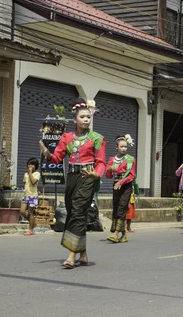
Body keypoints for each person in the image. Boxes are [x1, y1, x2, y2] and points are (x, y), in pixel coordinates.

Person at [39, 98, 105, 269]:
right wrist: (47, 153)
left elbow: (101, 162)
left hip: (87, 177)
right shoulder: (66, 137)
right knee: (75, 213)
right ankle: (83, 254)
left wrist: (96, 174)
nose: (86, 119)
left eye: (88, 117)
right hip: (72, 178)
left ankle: (71, 255)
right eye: (82, 117)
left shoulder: (97, 138)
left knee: (77, 211)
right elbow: (56, 158)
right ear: (75, 119)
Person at [105, 134, 136, 243]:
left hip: (126, 185)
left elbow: (132, 175)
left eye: (125, 147)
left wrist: (121, 182)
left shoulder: (130, 159)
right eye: (121, 146)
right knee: (116, 207)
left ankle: (116, 234)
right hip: (116, 184)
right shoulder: (112, 159)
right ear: (116, 147)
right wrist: (109, 169)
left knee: (122, 207)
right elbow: (108, 175)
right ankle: (124, 235)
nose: (123, 149)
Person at [20, 158, 41, 236]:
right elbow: (26, 184)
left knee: (30, 212)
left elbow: (33, 182)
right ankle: (33, 223)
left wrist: (30, 173)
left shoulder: (37, 174)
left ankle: (30, 230)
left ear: (35, 166)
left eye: (31, 164)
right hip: (26, 195)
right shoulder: (25, 174)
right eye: (28, 164)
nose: (29, 166)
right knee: (22, 211)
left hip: (33, 196)